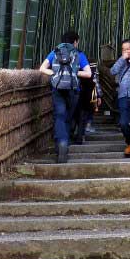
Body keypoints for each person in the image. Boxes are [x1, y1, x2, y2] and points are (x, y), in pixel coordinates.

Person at [40, 30, 92, 163]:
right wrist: (74, 72)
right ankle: (65, 143)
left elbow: (42, 68)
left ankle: (61, 143)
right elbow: (88, 74)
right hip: (73, 90)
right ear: (75, 42)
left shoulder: (55, 52)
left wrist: (56, 73)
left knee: (59, 116)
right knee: (68, 117)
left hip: (57, 89)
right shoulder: (79, 54)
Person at [72, 63, 102, 144]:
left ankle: (74, 136)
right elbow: (96, 83)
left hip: (76, 94)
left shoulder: (74, 66)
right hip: (86, 96)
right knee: (82, 117)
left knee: (75, 116)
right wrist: (99, 96)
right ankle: (80, 137)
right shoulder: (91, 70)